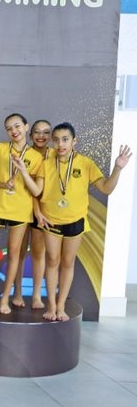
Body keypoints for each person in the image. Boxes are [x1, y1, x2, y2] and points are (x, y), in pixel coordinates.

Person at [37, 123, 131, 321]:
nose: (60, 144)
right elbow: (36, 192)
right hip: (51, 221)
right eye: (56, 140)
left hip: (75, 221)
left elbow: (106, 189)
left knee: (68, 263)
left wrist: (118, 168)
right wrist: (38, 212)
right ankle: (51, 305)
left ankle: (61, 306)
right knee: (52, 261)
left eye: (65, 139)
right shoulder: (46, 163)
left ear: (74, 141)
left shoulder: (86, 163)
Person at [0, 113, 44, 314]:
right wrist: (4, 184)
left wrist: (23, 171)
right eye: (9, 128)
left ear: (26, 127)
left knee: (14, 255)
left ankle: (5, 298)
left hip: (20, 211)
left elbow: (35, 190)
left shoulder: (36, 157)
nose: (14, 131)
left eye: (17, 126)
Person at [12, 119, 52, 309]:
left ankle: (36, 295)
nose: (41, 136)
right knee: (18, 252)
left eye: (45, 132)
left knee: (38, 252)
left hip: (44, 211)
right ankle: (17, 293)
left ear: (51, 135)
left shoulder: (55, 155)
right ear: (30, 134)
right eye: (37, 132)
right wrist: (35, 209)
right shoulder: (25, 153)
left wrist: (40, 210)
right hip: (22, 208)